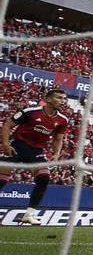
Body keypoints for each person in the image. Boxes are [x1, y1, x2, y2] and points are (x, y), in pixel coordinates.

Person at [0, 87, 70, 226]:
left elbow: (58, 138)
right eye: (59, 98)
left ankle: (29, 214)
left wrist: (56, 154)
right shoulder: (30, 112)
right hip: (17, 147)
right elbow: (8, 125)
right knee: (1, 180)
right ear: (48, 99)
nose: (62, 101)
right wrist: (6, 145)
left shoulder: (63, 120)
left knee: (44, 178)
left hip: (36, 151)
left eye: (64, 99)